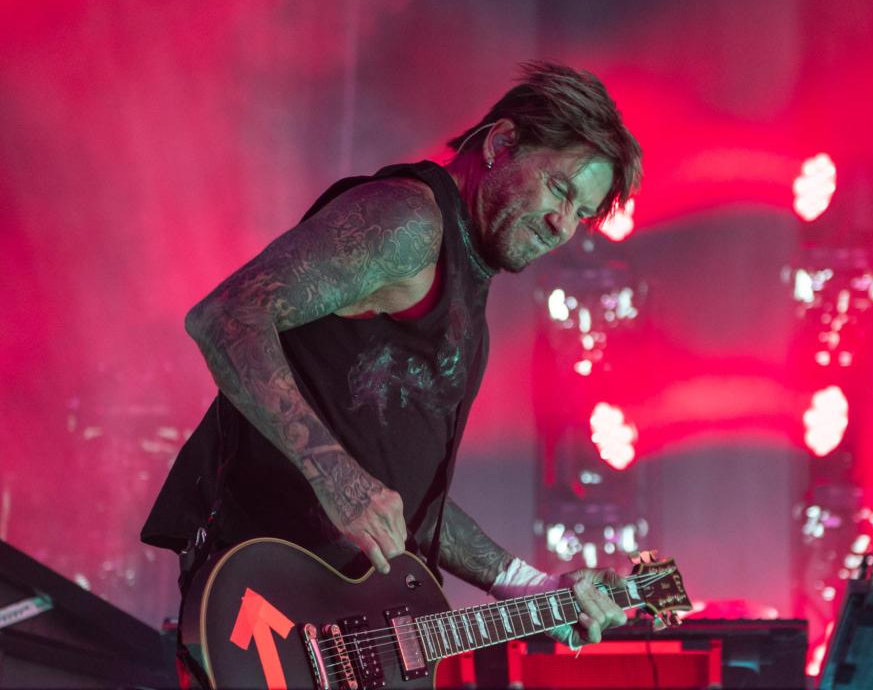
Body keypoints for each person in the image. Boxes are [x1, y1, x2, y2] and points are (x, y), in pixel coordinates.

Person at [142, 61, 642, 665]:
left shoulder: (466, 293)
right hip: (265, 606)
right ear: (501, 144)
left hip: (333, 627)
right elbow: (227, 317)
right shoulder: (408, 221)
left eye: (582, 214)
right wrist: (340, 480)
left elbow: (406, 503)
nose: (563, 225)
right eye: (560, 189)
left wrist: (527, 585)